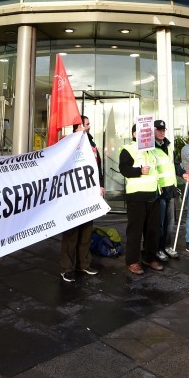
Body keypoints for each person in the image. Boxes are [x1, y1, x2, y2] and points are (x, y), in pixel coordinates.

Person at [59, 116, 105, 282]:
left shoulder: (91, 144)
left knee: (86, 232)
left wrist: (100, 184)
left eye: (88, 124)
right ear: (78, 127)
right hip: (73, 195)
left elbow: (97, 166)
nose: (89, 126)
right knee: (71, 233)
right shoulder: (68, 144)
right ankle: (66, 268)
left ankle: (83, 264)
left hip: (89, 194)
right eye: (86, 124)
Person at [119, 125, 163, 275]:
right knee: (135, 231)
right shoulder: (128, 149)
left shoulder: (151, 149)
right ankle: (132, 261)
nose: (146, 134)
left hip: (152, 195)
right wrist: (139, 171)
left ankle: (149, 258)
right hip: (136, 196)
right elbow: (124, 169)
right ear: (134, 134)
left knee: (152, 231)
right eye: (142, 132)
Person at [152, 120, 180, 260]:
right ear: (153, 130)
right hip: (159, 190)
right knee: (160, 223)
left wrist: (183, 172)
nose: (162, 132)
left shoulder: (168, 146)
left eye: (164, 130)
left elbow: (175, 164)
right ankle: (158, 248)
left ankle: (167, 246)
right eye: (159, 129)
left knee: (170, 222)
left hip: (170, 188)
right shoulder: (150, 148)